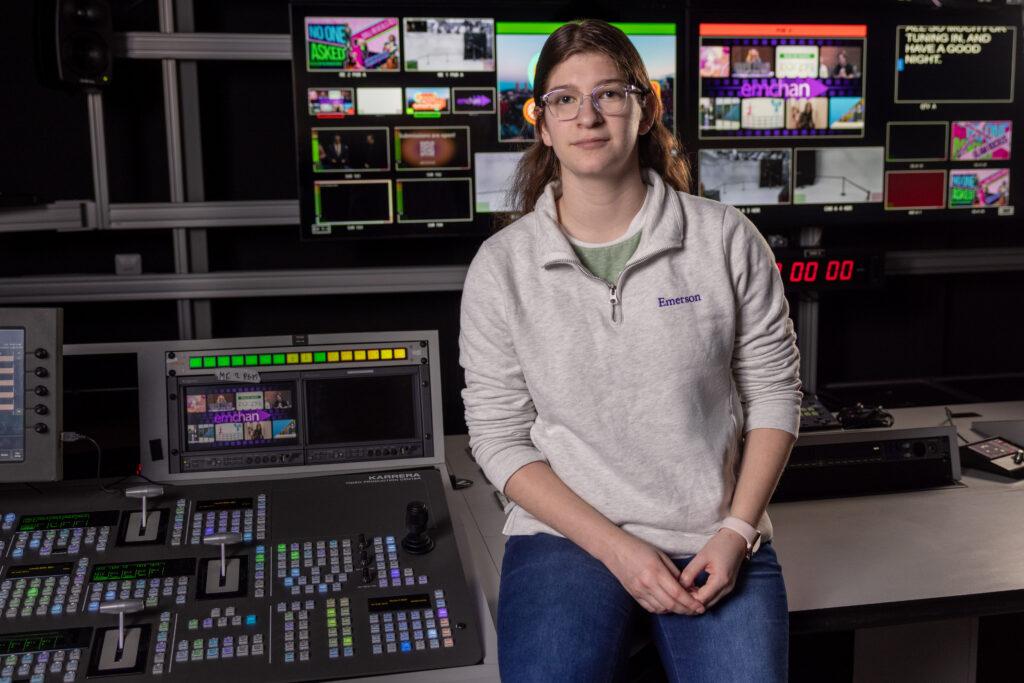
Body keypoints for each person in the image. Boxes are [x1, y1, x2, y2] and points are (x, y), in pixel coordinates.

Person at [459, 19, 801, 682]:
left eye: (609, 94)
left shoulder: (726, 240)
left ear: (646, 108)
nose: (588, 115)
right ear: (542, 122)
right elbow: (498, 437)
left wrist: (736, 530)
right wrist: (619, 549)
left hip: (712, 531)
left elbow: (774, 395)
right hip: (566, 535)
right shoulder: (501, 268)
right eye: (564, 99)